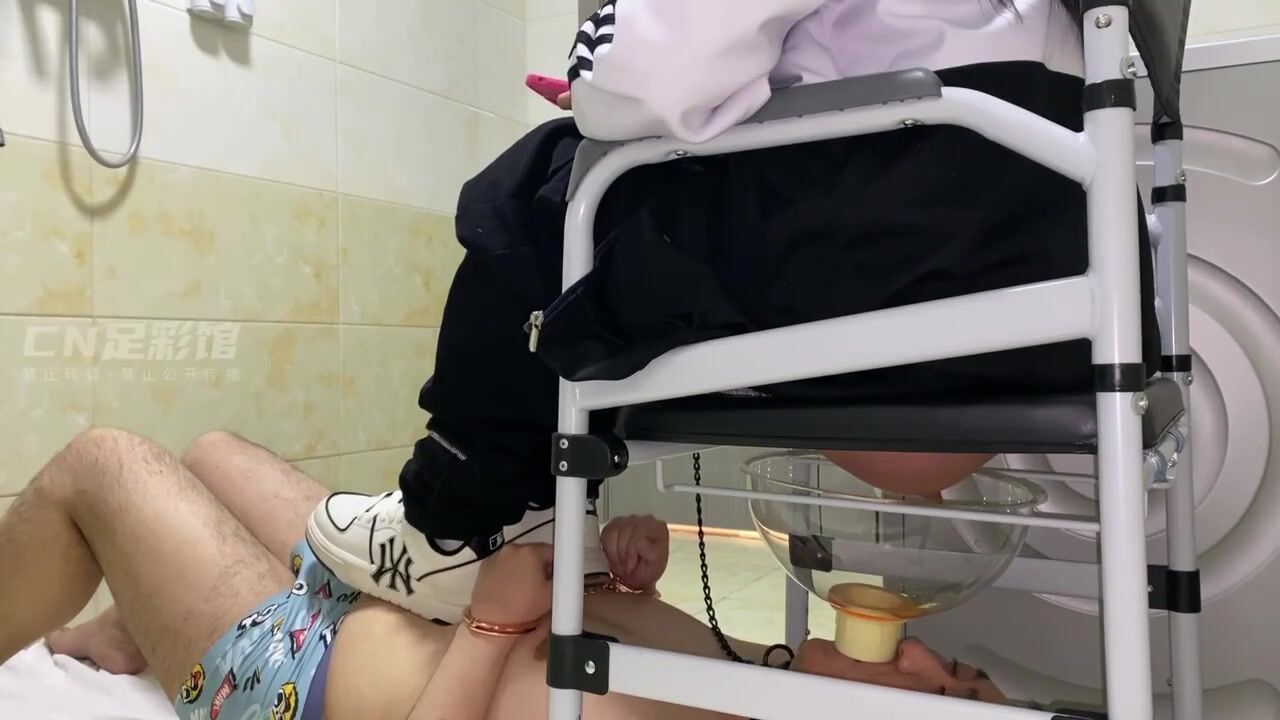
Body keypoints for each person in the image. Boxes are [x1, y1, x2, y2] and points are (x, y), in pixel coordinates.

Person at [307, 0, 1162, 624]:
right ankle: (543, 517)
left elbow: (647, 75)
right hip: (1052, 303)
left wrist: (596, 86)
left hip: (890, 256)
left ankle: (456, 520)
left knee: (539, 187)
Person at [0, 429, 1006, 720]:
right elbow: (579, 661)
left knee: (102, 463)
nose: (925, 651)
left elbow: (516, 674)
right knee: (215, 453)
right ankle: (131, 628)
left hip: (296, 676)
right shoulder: (761, 677)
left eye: (941, 690)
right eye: (961, 668)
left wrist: (488, 626)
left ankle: (153, 626)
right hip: (394, 596)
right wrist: (625, 582)